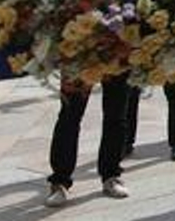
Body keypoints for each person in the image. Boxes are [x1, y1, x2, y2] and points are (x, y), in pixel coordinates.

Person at [46, 75, 135, 206]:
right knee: (69, 115)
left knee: (117, 115)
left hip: (118, 57)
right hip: (79, 58)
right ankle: (60, 181)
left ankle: (111, 175)